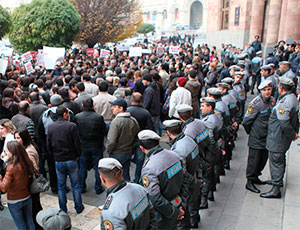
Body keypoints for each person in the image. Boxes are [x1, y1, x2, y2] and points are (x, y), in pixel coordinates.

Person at [138, 130, 188, 230]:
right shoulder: (174, 155)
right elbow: (185, 180)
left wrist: (174, 213)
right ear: (158, 142)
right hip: (178, 202)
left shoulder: (149, 168)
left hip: (163, 213)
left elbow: (155, 198)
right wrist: (182, 205)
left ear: (142, 148)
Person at [261, 77, 299, 199]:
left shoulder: (285, 102)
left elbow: (284, 123)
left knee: (276, 161)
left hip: (278, 138)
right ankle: (277, 180)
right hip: (280, 138)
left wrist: (292, 135)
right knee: (279, 160)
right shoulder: (292, 98)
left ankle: (276, 189)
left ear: (281, 87)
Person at [164, 119, 201, 228]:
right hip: (193, 176)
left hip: (187, 184)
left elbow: (182, 174)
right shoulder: (189, 140)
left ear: (168, 132)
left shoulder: (177, 150)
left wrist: (195, 182)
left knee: (183, 213)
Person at [99, 158, 156, 229]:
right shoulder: (140, 189)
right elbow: (152, 214)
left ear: (102, 179)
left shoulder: (110, 211)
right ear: (122, 172)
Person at [47, 105, 84, 213]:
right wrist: (78, 155)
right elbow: (77, 144)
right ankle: (78, 207)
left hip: (59, 160)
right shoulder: (71, 126)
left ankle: (63, 208)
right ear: (64, 114)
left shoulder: (51, 127)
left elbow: (48, 145)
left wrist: (54, 156)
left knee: (61, 187)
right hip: (71, 159)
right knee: (76, 186)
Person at [242, 80, 275, 193]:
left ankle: (256, 177)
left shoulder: (272, 101)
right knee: (253, 161)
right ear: (261, 90)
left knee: (263, 159)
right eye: (264, 90)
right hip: (256, 137)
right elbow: (246, 121)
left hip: (267, 136)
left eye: (269, 89)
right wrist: (252, 133)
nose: (267, 92)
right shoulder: (256, 103)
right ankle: (249, 181)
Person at [0, 141, 35, 230]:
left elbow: (4, 188)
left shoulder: (11, 167)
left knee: (21, 226)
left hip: (14, 200)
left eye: (7, 151)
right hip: (27, 196)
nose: (6, 153)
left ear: (13, 152)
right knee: (30, 222)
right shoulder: (27, 162)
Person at [75, 98, 106, 194]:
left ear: (83, 106)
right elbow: (103, 131)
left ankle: (81, 187)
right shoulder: (98, 117)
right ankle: (98, 187)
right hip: (96, 145)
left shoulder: (77, 117)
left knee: (82, 167)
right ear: (93, 106)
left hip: (83, 145)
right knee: (97, 167)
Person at [15, 128, 43, 230]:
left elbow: (33, 168)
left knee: (35, 207)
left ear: (24, 138)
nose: (16, 140)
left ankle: (39, 226)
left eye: (18, 138)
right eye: (15, 138)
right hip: (30, 184)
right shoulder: (25, 148)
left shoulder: (29, 151)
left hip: (31, 184)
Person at [106, 98, 140, 181]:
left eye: (114, 106)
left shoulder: (116, 122)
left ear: (121, 108)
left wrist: (109, 150)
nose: (112, 108)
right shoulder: (133, 120)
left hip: (116, 153)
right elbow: (137, 137)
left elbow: (111, 141)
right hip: (128, 152)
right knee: (125, 174)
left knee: (114, 177)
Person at [127, 92, 154, 182]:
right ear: (141, 101)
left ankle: (126, 179)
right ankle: (137, 178)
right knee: (140, 161)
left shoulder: (127, 111)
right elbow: (151, 128)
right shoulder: (145, 113)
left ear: (131, 100)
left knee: (126, 160)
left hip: (129, 139)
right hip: (141, 139)